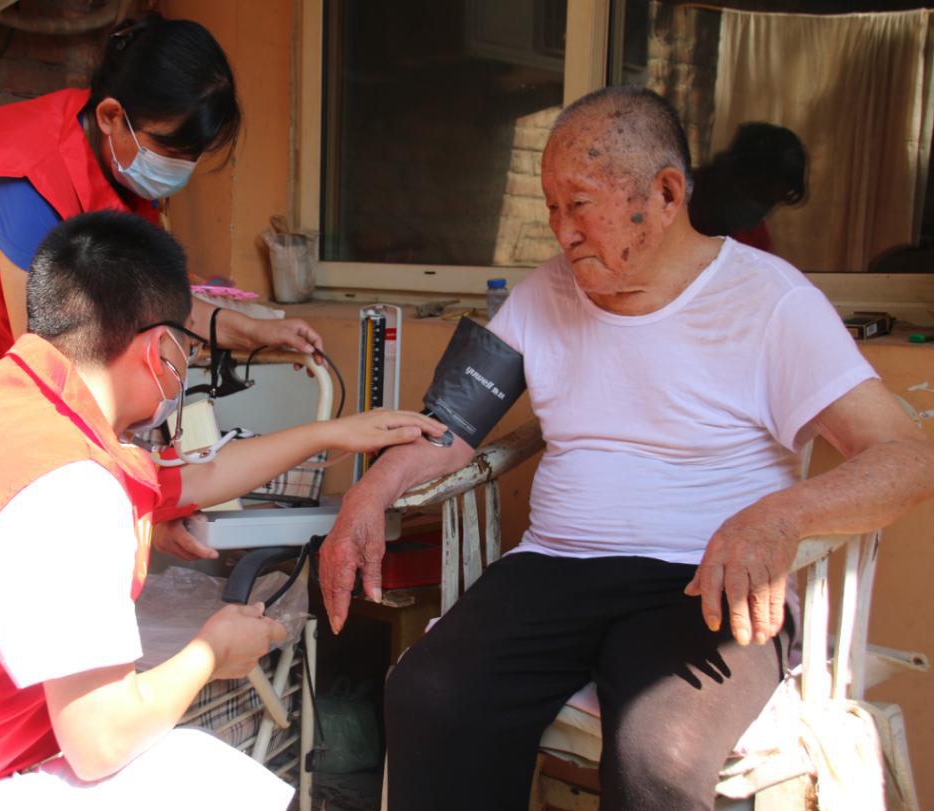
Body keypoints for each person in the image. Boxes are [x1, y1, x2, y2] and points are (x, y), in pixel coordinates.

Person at [318, 87, 934, 810]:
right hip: (555, 570)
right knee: (430, 694)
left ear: (666, 194)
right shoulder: (543, 294)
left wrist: (781, 516)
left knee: (658, 755)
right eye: (551, 207)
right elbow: (448, 428)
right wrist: (369, 493)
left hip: (705, 582)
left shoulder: (770, 300)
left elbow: (906, 456)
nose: (562, 232)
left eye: (580, 204)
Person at [0, 212, 445, 810]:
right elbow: (99, 740)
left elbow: (191, 477)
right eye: (188, 350)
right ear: (161, 352)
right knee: (198, 778)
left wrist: (331, 432)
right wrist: (210, 654)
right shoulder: (71, 484)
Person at [0, 13, 325, 519]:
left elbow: (146, 295)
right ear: (111, 116)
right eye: (170, 151)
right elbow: (48, 365)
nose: (180, 170)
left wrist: (251, 332)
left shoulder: (118, 165)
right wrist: (142, 497)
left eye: (191, 155)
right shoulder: (26, 182)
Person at [689, 121, 807, 253]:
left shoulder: (754, 242)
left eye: (770, 203)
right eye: (758, 194)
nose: (757, 210)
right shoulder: (678, 201)